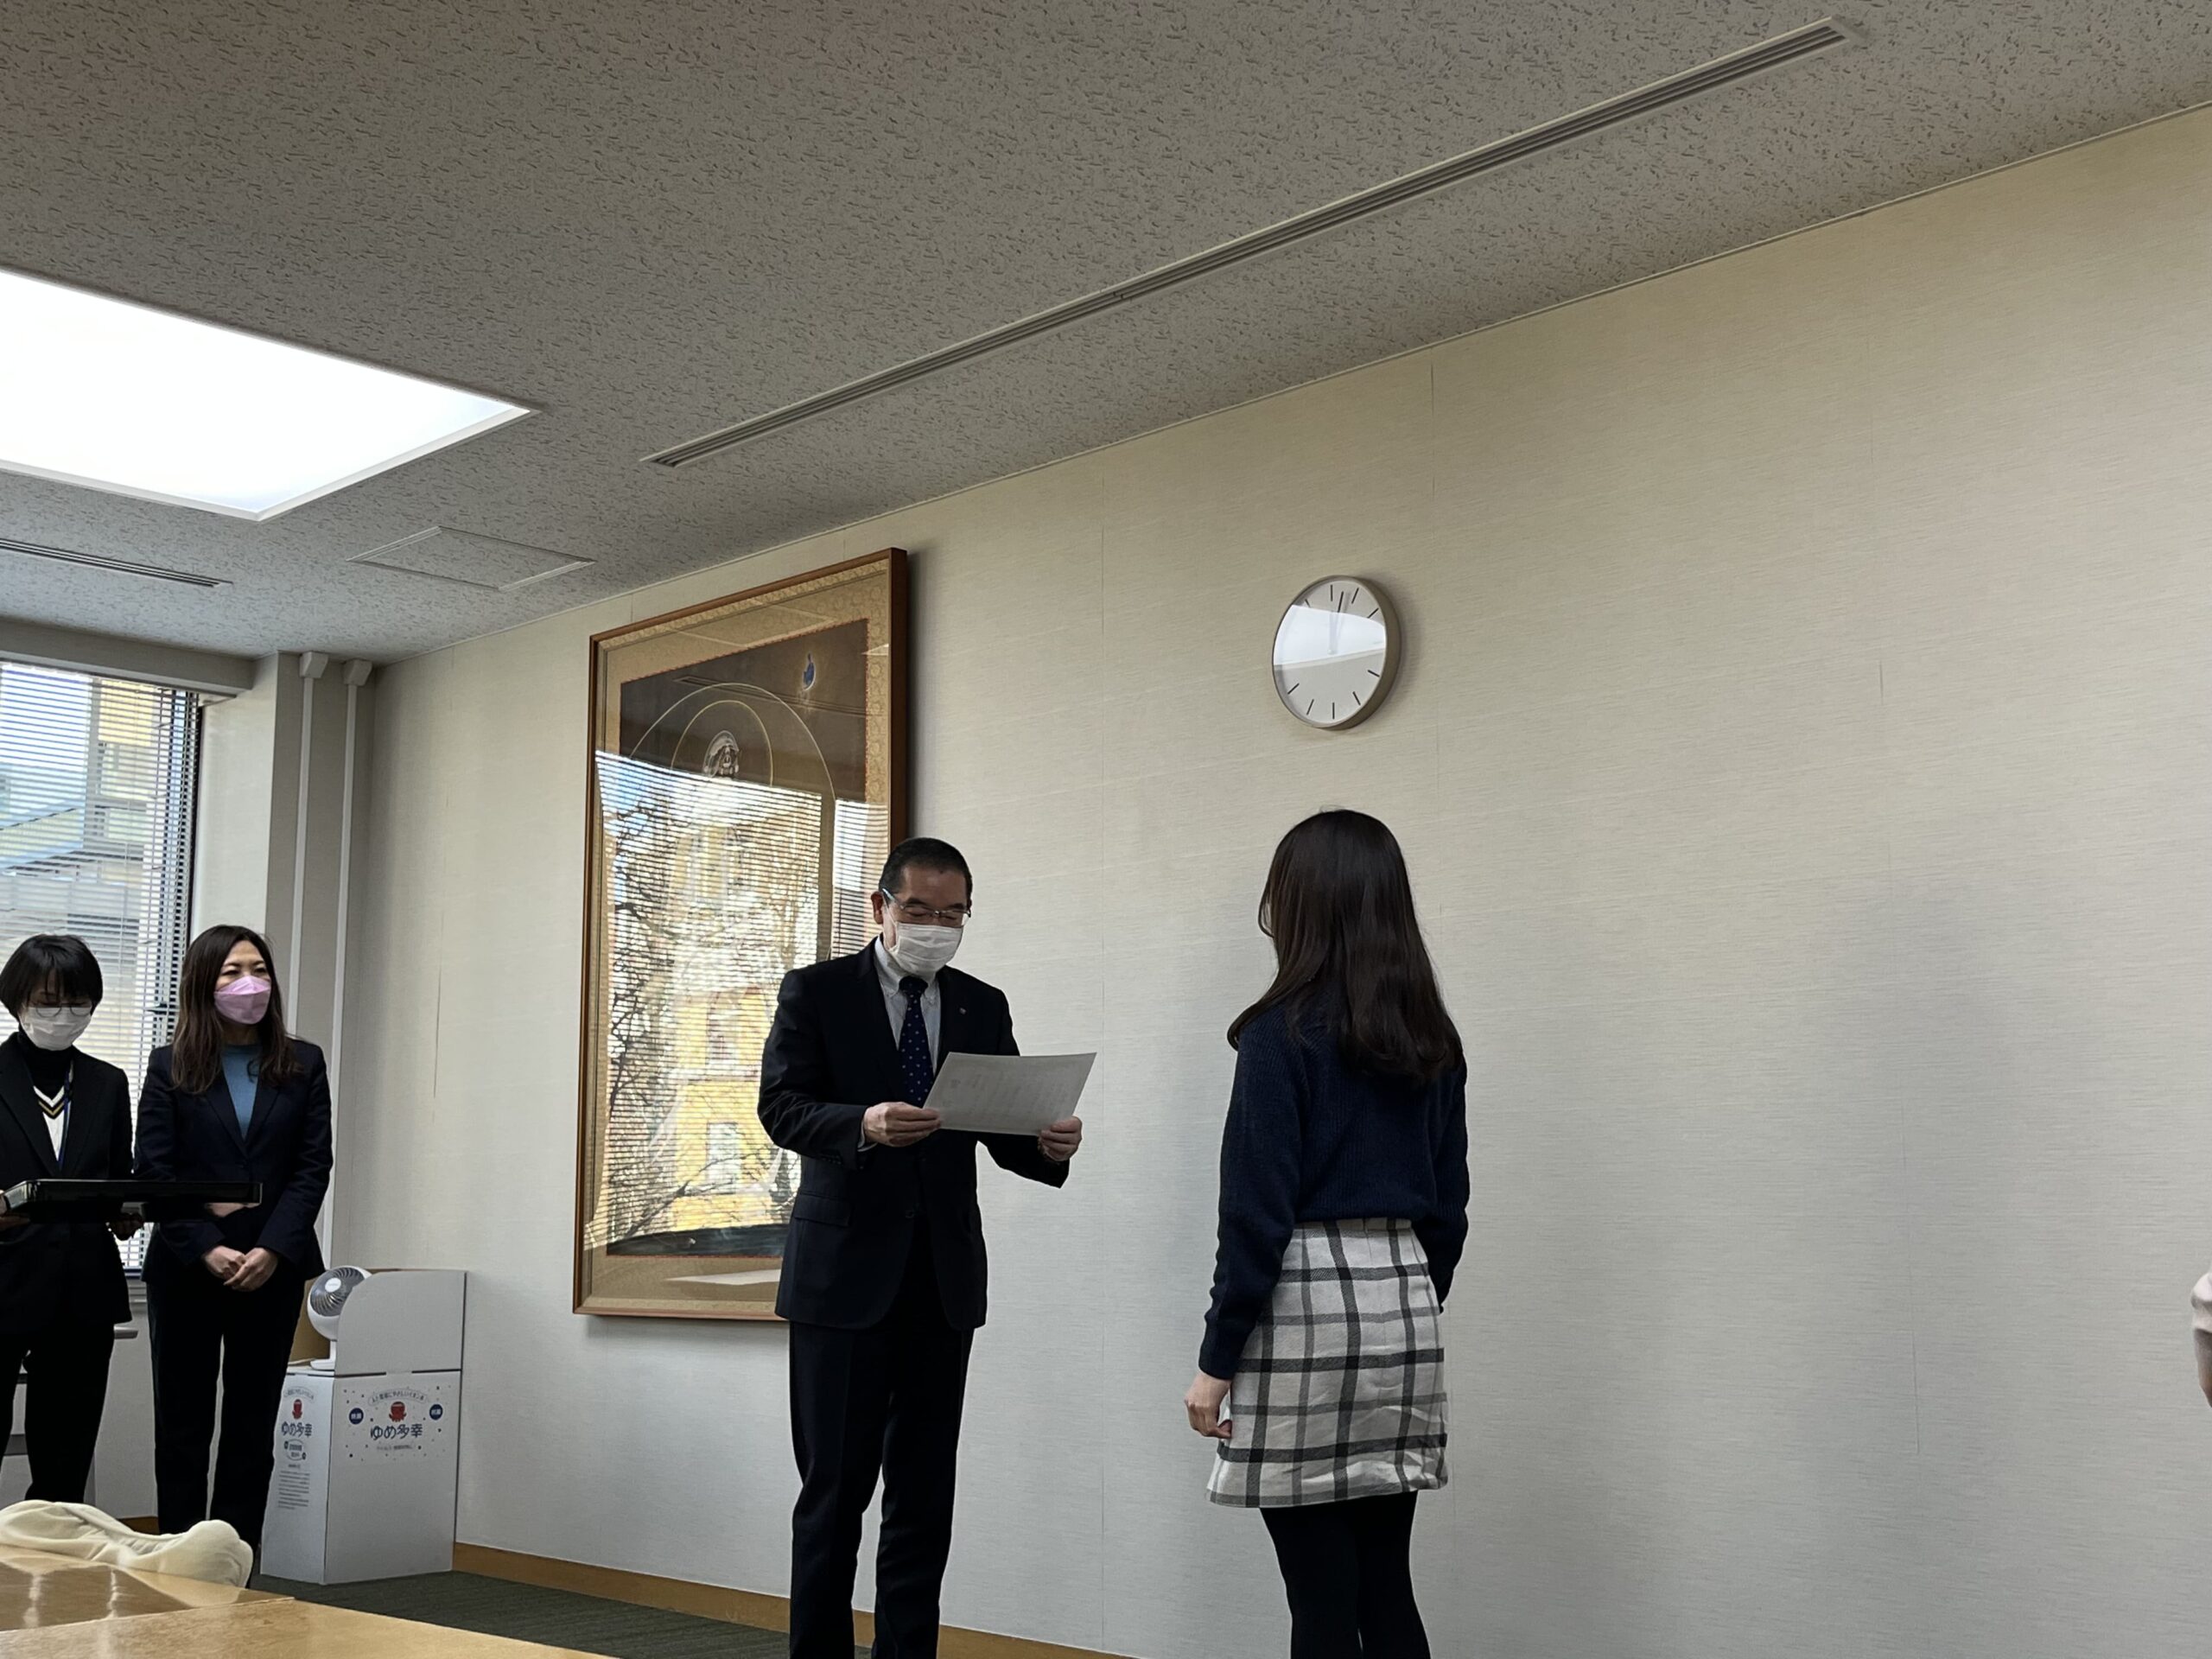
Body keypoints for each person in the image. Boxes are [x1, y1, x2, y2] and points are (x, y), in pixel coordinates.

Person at [759, 836, 1084, 1658]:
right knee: (834, 1496)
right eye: (919, 910)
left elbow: (1003, 1126)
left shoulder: (980, 1003)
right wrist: (860, 1124)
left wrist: (1049, 1143)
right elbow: (781, 1107)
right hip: (841, 1282)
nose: (936, 927)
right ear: (881, 907)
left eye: (953, 913)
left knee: (924, 1498)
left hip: (942, 1281)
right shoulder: (817, 992)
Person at [1185, 810, 1470, 1659]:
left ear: (1301, 905)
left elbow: (1254, 1217)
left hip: (1303, 1304)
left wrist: (1215, 1363)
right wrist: (1408, 1292)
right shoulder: (1431, 1038)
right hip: (1404, 1306)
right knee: (1385, 1582)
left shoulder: (1278, 1036)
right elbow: (1449, 1207)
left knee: (1318, 1595)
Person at [136, 925, 331, 1561]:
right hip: (188, 1267)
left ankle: (237, 1565)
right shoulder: (169, 1065)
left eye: (259, 969)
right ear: (203, 983)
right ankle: (178, 1560)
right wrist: (206, 1246)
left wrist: (273, 1248)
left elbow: (312, 1167)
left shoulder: (303, 1063)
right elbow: (155, 1172)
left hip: (273, 1268)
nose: (250, 983)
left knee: (253, 1426)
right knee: (183, 1425)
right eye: (231, 972)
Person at [0, 936, 137, 1502]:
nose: (63, 1015)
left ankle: (50, 1554)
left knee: (66, 1460)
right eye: (48, 1001)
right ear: (16, 1000)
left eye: (77, 1002)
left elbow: (121, 1175)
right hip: (4, 1280)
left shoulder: (108, 1083)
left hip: (84, 1289)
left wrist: (131, 1211)